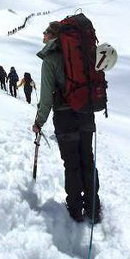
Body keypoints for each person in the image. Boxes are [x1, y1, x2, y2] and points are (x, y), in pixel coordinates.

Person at [32, 21, 101, 224]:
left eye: (45, 32)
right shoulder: (81, 53)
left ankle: (75, 210)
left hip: (65, 117)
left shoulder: (50, 60)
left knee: (72, 165)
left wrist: (39, 121)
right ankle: (93, 207)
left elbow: (46, 98)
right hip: (86, 113)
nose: (42, 35)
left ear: (52, 35)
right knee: (87, 159)